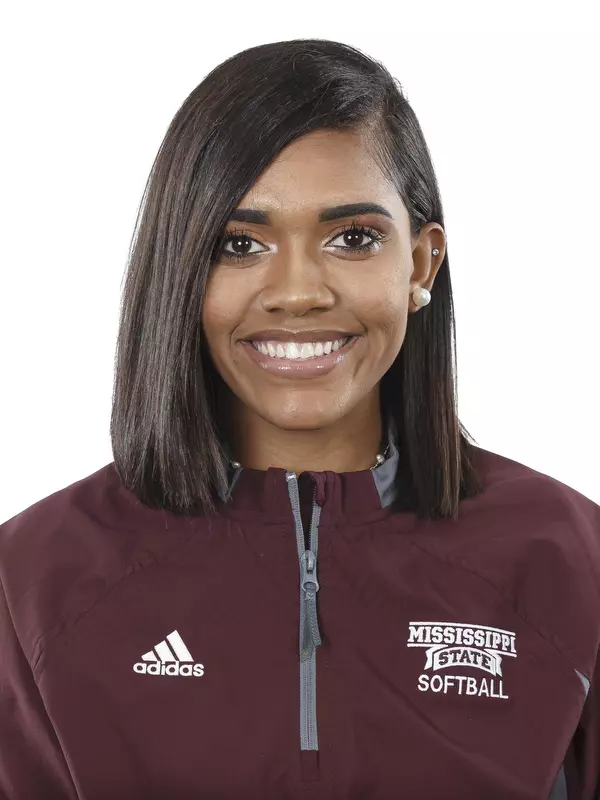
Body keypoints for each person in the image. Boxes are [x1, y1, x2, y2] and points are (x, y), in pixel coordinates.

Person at [0, 37, 598, 800]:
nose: (297, 292)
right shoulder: (34, 578)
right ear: (181, 269)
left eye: (352, 238)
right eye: (239, 244)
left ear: (421, 265)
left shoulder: (573, 562)